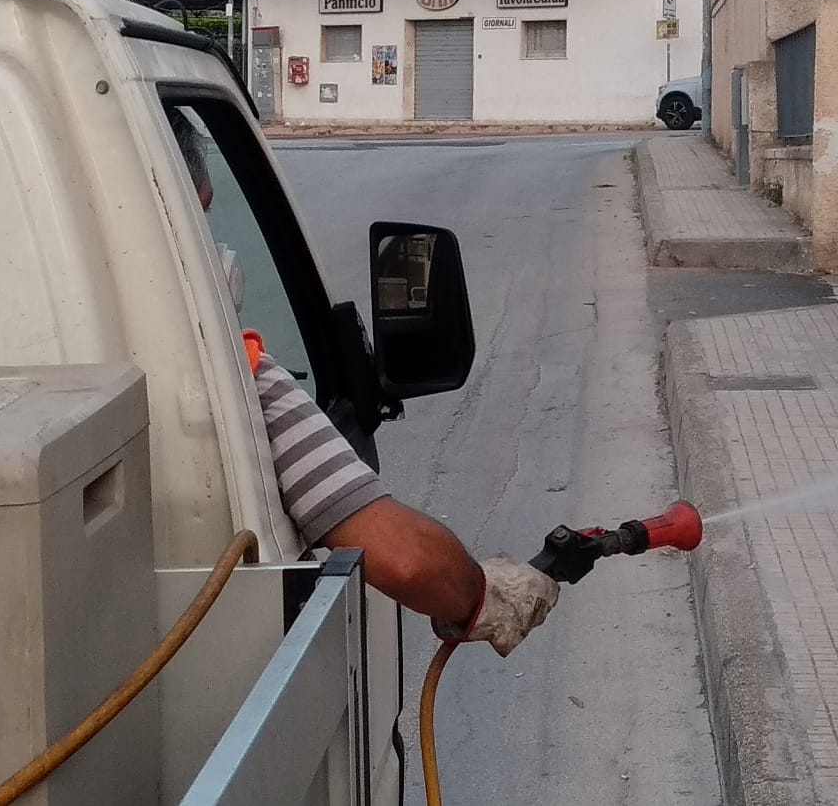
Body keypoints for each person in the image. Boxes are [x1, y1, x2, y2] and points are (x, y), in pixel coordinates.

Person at [168, 108, 558, 655]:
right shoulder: (230, 373)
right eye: (199, 222)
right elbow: (407, 559)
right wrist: (485, 595)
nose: (217, 253)